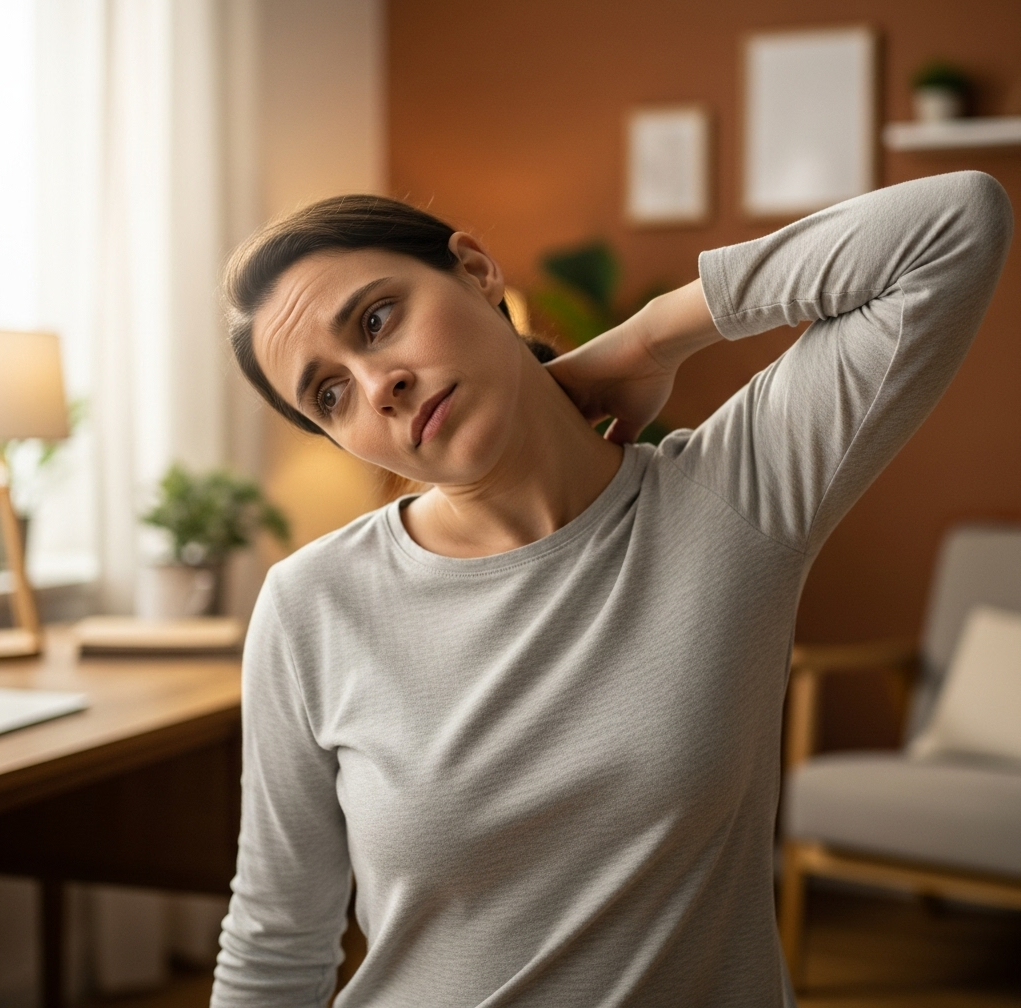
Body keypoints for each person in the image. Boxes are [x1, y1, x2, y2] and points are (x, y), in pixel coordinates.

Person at [210, 171, 1012, 1008]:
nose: (379, 386)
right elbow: (276, 943)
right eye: (330, 395)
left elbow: (954, 224)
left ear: (478, 273)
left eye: (377, 320)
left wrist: (651, 337)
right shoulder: (312, 604)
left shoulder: (737, 497)